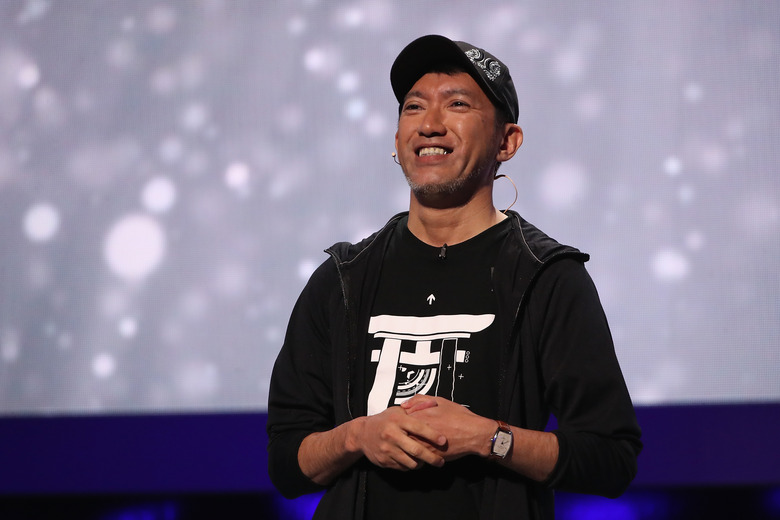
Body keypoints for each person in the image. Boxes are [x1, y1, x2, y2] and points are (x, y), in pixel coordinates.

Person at [267, 34, 642, 520]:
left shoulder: (547, 277)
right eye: (413, 107)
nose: (430, 125)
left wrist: (489, 439)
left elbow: (611, 458)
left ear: (507, 142)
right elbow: (286, 462)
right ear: (397, 139)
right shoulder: (342, 279)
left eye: (457, 104)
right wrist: (358, 435)